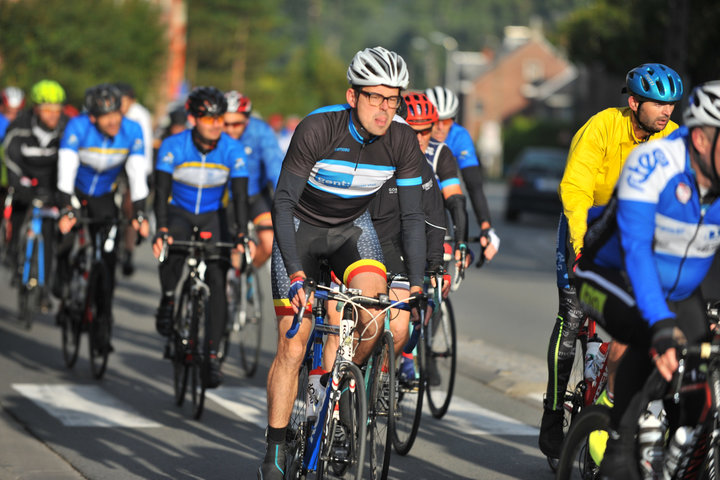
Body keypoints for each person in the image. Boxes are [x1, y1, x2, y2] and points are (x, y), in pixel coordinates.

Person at [258, 46, 426, 480]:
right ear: (353, 97)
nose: (385, 109)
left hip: (353, 229)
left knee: (375, 316)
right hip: (300, 229)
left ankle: (335, 396)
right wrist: (296, 274)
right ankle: (276, 450)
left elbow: (411, 216)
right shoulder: (317, 128)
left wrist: (417, 283)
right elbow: (282, 200)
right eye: (375, 97)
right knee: (294, 342)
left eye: (394, 99)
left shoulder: (403, 140)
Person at [573, 81, 720, 478]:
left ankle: (680, 453)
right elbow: (636, 251)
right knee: (649, 331)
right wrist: (659, 324)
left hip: (678, 288)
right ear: (704, 139)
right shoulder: (655, 162)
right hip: (608, 275)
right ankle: (619, 444)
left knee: (699, 387)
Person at [538, 63, 683, 461]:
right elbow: (577, 190)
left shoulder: (670, 139)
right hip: (588, 225)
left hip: (634, 233)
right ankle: (552, 413)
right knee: (572, 318)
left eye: (671, 104)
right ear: (634, 102)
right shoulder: (601, 128)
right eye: (657, 104)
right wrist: (580, 247)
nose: (666, 112)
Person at [152, 86, 250, 389]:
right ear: (194, 119)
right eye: (208, 119)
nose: (216, 125)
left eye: (219, 118)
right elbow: (161, 193)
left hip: (212, 214)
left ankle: (210, 353)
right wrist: (162, 229)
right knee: (173, 249)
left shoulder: (232, 150)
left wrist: (241, 234)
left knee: (218, 280)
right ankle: (168, 300)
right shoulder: (173, 145)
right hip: (178, 210)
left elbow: (239, 197)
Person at [56, 84, 150, 347]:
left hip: (105, 196)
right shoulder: (78, 127)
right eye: (106, 116)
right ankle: (62, 279)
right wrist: (67, 207)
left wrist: (140, 213)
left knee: (107, 261)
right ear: (93, 117)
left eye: (117, 114)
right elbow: (65, 171)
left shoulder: (131, 130)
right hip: (75, 189)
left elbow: (137, 176)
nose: (113, 121)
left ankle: (102, 321)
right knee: (65, 236)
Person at [2, 80, 68, 301]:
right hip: (25, 177)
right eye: (47, 109)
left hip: (51, 181)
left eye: (57, 110)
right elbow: (10, 156)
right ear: (36, 108)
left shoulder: (66, 128)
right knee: (20, 212)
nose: (53, 115)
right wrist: (18, 184)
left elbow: (70, 161)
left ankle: (44, 287)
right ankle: (14, 254)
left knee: (49, 233)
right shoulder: (20, 124)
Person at [424, 85, 498, 261]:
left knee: (445, 244)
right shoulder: (415, 134)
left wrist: (486, 226)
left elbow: (474, 185)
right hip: (413, 192)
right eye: (435, 120)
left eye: (447, 121)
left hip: (443, 194)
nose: (441, 127)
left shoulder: (459, 136)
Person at [223, 90, 283, 268]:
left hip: (256, 193)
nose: (230, 129)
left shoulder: (261, 131)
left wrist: (284, 198)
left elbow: (275, 165)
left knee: (268, 241)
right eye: (226, 123)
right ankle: (231, 276)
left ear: (247, 120)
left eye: (237, 124)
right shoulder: (216, 133)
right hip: (228, 197)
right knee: (231, 247)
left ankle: (248, 269)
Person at [116, 82, 154, 276]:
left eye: (125, 102)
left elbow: (145, 147)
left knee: (131, 206)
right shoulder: (108, 111)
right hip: (113, 162)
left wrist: (145, 175)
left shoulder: (141, 116)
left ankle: (129, 249)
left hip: (133, 162)